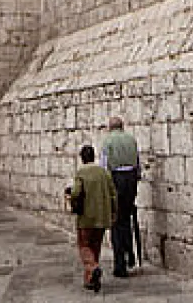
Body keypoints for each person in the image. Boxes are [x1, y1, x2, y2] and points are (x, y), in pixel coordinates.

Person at [67, 143, 117, 292]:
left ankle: (93, 267)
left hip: (87, 217)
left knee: (84, 245)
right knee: (95, 246)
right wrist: (114, 212)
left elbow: (76, 192)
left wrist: (70, 194)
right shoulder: (104, 173)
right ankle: (90, 279)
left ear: (82, 158)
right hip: (102, 216)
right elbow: (113, 194)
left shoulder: (81, 173)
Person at [101, 116, 142, 276]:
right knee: (127, 218)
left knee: (116, 222)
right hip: (131, 180)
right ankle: (130, 255)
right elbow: (138, 163)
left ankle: (120, 264)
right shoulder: (131, 140)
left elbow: (104, 166)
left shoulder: (108, 141)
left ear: (110, 128)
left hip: (116, 179)